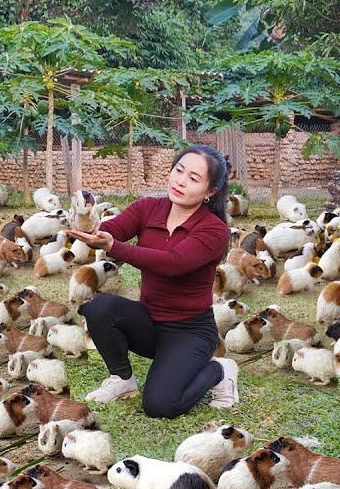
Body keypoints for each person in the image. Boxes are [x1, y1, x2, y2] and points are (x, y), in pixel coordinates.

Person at [67, 144, 237, 417]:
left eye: (193, 178)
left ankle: (220, 370)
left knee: (160, 406)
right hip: (149, 323)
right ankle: (122, 379)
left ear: (210, 192)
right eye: (178, 170)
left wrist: (114, 246)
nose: (181, 181)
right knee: (98, 307)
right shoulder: (148, 208)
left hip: (190, 333)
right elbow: (109, 231)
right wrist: (87, 220)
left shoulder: (214, 230)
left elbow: (173, 264)